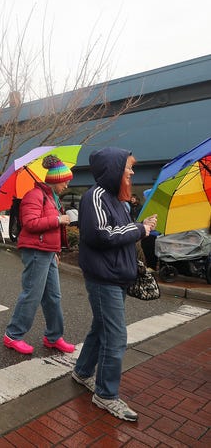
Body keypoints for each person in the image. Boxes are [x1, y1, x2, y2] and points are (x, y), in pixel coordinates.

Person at [73, 147, 157, 422]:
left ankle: (83, 372)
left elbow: (120, 233)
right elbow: (101, 234)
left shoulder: (117, 200)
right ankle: (106, 395)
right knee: (116, 336)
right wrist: (138, 228)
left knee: (101, 328)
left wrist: (141, 226)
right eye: (128, 167)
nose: (132, 172)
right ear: (114, 168)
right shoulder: (94, 196)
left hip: (116, 276)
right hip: (103, 278)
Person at [3, 155, 76, 355]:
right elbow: (30, 223)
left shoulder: (52, 197)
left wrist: (55, 252)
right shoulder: (34, 195)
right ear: (55, 180)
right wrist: (58, 219)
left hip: (46, 252)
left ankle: (53, 336)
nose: (68, 184)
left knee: (53, 296)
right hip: (36, 251)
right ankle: (13, 335)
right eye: (65, 180)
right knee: (32, 295)